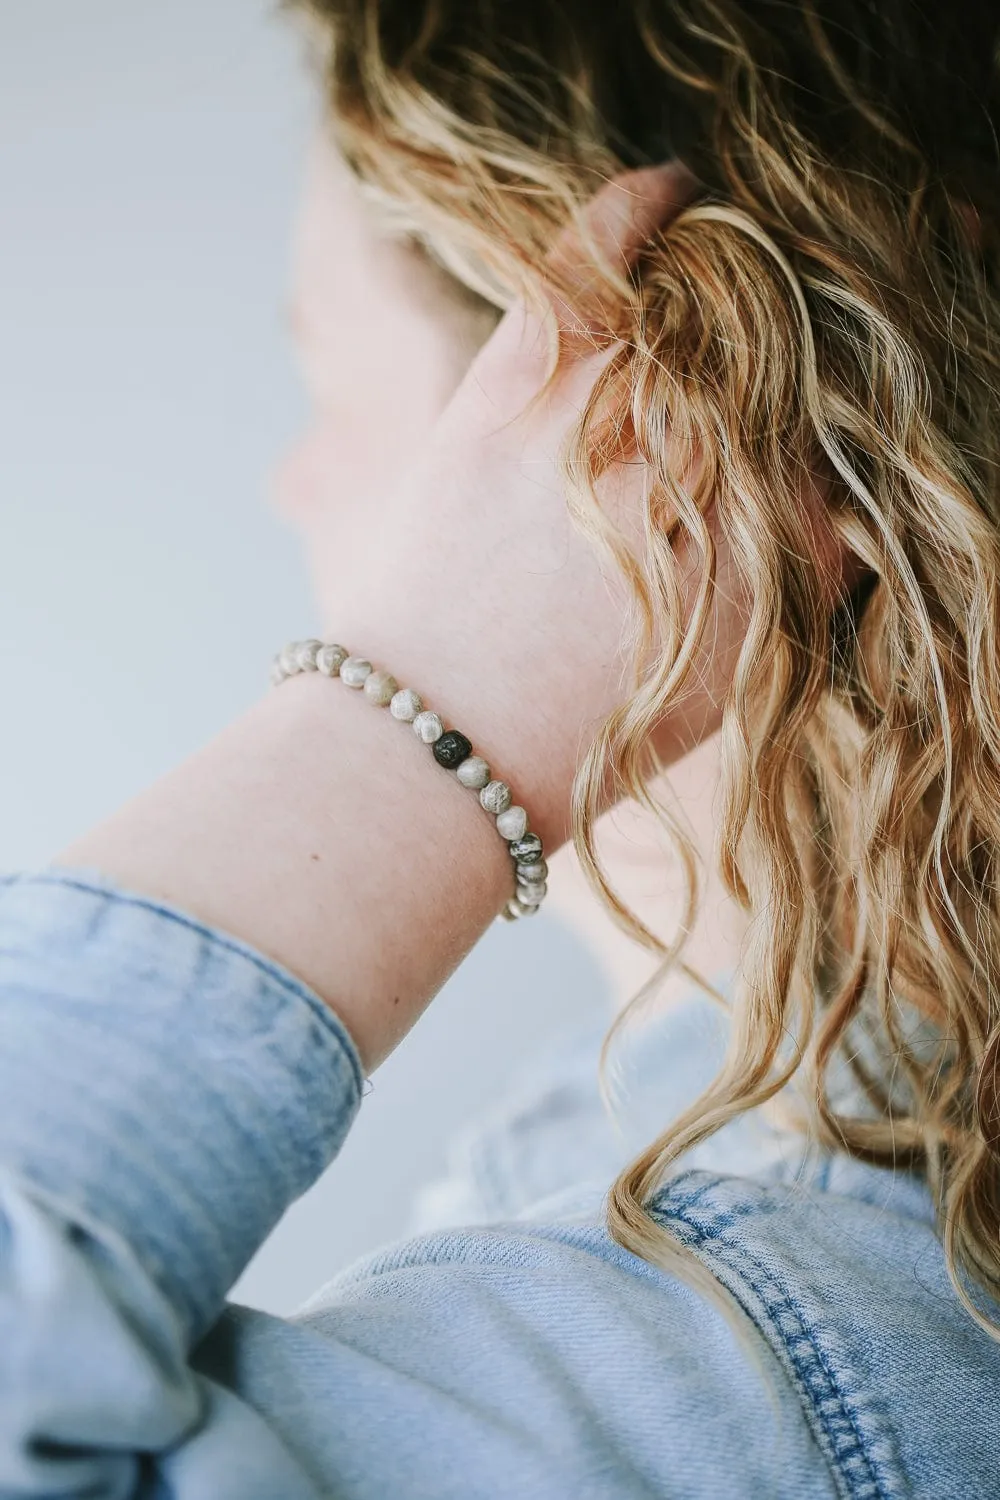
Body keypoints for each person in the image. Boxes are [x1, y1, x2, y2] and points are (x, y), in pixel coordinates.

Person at [3, 2, 999, 1496]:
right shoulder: (698, 1174)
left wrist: (410, 706)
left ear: (637, 454)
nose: (293, 477)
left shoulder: (767, 1367)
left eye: (328, 388)